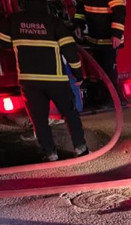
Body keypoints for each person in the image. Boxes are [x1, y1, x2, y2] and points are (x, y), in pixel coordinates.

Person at [0, 0, 88, 162]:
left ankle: (50, 153)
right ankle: (80, 148)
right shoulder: (54, 22)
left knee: (39, 120)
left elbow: (3, 42)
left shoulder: (13, 21)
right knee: (70, 113)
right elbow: (70, 52)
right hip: (56, 80)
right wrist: (79, 75)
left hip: (29, 81)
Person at [73, 0, 128, 106]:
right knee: (100, 72)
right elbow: (80, 11)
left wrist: (116, 34)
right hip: (95, 39)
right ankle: (105, 96)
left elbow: (120, 12)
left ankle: (115, 99)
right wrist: (78, 25)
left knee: (109, 71)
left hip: (109, 41)